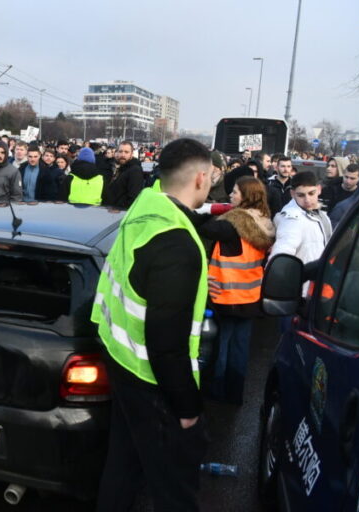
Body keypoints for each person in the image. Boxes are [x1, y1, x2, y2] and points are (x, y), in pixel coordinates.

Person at [92, 138, 211, 511]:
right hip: (153, 382)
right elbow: (167, 343)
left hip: (121, 361)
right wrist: (187, 408)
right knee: (174, 491)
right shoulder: (177, 245)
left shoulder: (146, 206)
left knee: (123, 469)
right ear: (200, 179)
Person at [199, 176, 274, 404]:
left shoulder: (233, 225)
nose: (230, 195)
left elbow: (204, 226)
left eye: (235, 192)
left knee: (221, 347)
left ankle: (217, 391)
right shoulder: (264, 221)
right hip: (251, 296)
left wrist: (196, 206)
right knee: (240, 348)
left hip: (227, 295)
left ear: (246, 197)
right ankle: (235, 394)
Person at [271, 171, 332, 296]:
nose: (307, 200)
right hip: (299, 292)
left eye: (311, 193)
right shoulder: (293, 219)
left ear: (319, 190)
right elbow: (280, 256)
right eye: (301, 195)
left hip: (314, 288)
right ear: (292, 194)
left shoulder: (320, 214)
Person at [104, 141, 144, 208]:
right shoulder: (123, 168)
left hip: (120, 213)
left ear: (132, 154)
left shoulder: (135, 171)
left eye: (126, 152)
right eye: (120, 151)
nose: (123, 155)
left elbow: (133, 198)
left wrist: (119, 208)